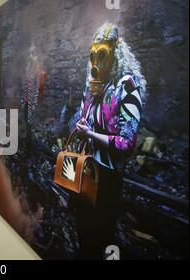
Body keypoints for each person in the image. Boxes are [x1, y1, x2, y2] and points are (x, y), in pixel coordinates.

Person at [72, 23, 147, 259]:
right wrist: (81, 125)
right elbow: (85, 117)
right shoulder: (92, 85)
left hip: (108, 176)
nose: (96, 63)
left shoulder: (126, 86)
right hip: (86, 168)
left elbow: (126, 143)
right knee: (83, 231)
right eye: (93, 55)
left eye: (102, 55)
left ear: (115, 53)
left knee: (100, 236)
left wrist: (92, 135)